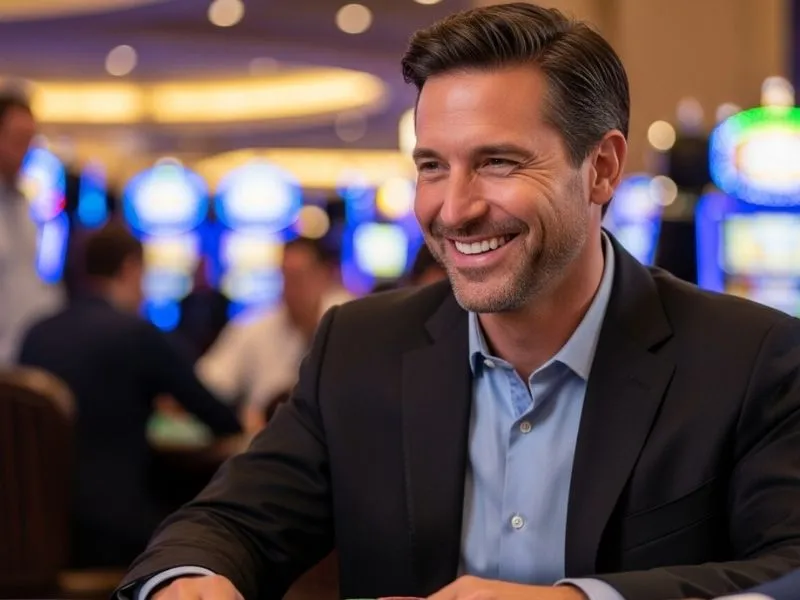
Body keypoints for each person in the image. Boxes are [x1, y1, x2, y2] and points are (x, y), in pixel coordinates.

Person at [116, 4, 800, 600]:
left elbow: (790, 568)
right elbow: (228, 523)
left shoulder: (750, 358)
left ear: (602, 169)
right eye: (432, 166)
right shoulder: (360, 347)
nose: (454, 209)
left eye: (498, 162)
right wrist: (190, 576)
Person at [19, 222, 242, 568]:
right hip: (114, 532)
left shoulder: (36, 332)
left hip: (30, 530)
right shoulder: (137, 334)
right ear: (130, 268)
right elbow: (221, 418)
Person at [196, 236, 351, 432]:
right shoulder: (254, 325)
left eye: (299, 277)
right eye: (286, 276)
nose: (291, 288)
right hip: (265, 444)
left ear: (324, 276)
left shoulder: (349, 323)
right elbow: (209, 383)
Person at [0, 92, 63, 364]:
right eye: (17, 139)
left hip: (22, 357)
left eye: (29, 141)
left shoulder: (22, 202)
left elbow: (30, 282)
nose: (25, 150)